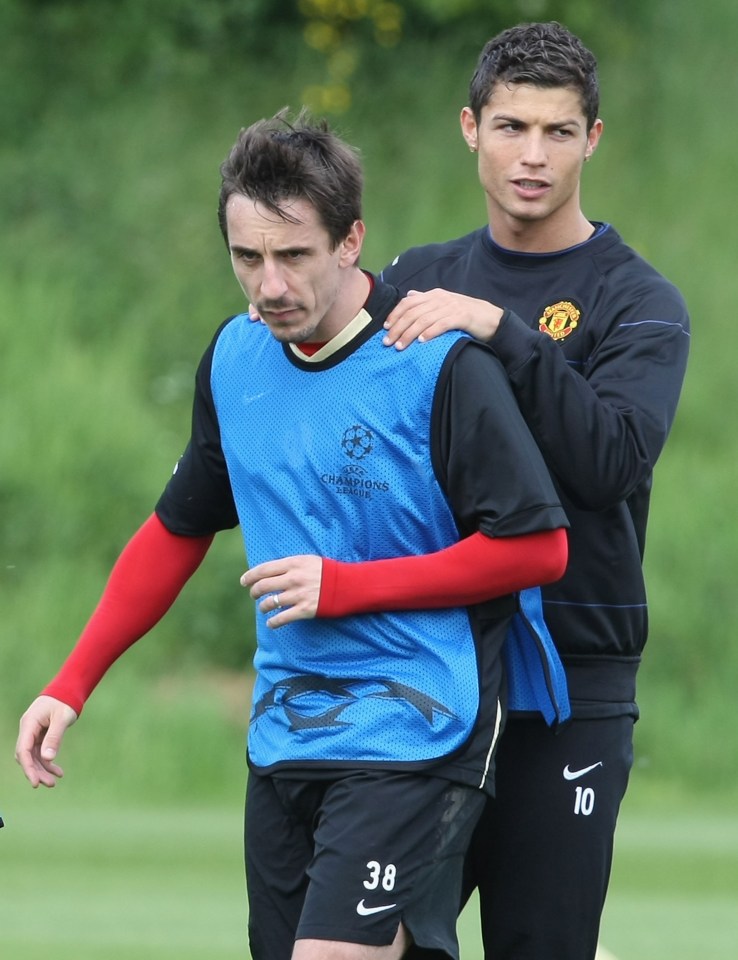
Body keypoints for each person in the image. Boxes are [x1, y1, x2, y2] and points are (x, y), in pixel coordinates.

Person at [16, 110, 570, 960]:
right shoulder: (235, 360)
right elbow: (177, 529)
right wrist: (72, 681)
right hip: (288, 730)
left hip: (418, 726)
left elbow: (537, 549)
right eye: (248, 258)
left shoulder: (438, 367)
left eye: (294, 255)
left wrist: (349, 585)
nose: (270, 285)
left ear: (351, 241)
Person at [380, 21, 690, 960]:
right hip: (430, 667)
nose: (533, 155)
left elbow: (610, 463)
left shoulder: (639, 299)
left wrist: (502, 332)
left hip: (572, 682)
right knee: (373, 940)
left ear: (592, 139)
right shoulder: (412, 279)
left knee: (540, 944)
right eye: (512, 126)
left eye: (559, 132)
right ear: (468, 127)